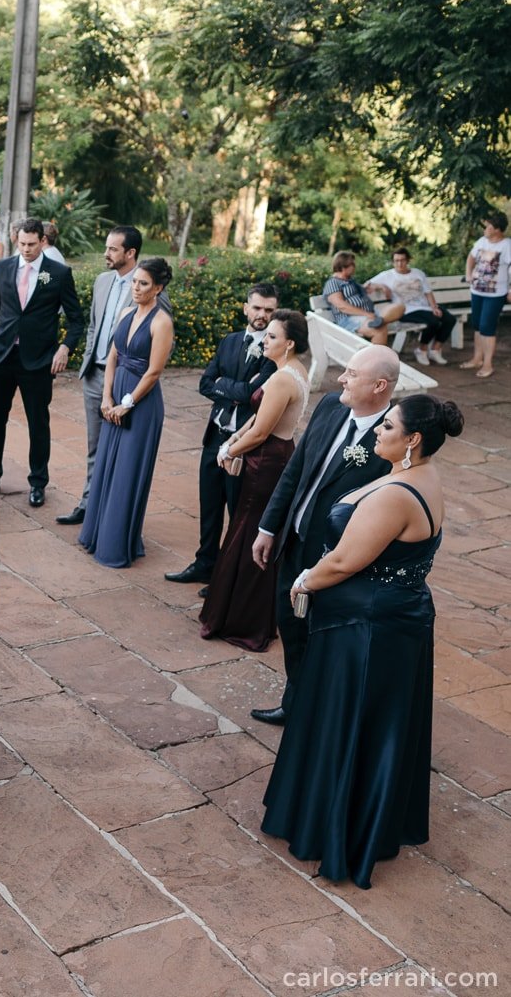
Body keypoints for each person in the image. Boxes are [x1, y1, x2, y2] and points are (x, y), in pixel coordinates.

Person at [262, 394, 461, 889]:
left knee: (352, 722)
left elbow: (345, 561)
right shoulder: (419, 474)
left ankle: (337, 829)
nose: (376, 431)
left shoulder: (397, 494)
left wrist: (303, 581)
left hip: (366, 629)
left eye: (387, 425)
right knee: (373, 722)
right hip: (391, 617)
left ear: (412, 439)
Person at [249, 345, 400, 726]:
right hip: (295, 542)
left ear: (380, 386)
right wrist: (269, 526)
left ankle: (327, 715)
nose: (340, 379)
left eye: (351, 374)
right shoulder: (331, 406)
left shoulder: (392, 440)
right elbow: (296, 469)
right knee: (291, 624)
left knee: (328, 638)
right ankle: (296, 701)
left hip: (337, 559)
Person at [198, 312, 310, 651]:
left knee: (249, 531)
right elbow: (255, 420)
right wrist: (231, 443)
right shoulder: (291, 372)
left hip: (267, 460)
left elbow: (261, 430)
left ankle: (242, 621)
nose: (264, 341)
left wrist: (228, 451)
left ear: (289, 343)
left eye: (272, 337)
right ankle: (240, 611)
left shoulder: (280, 381)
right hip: (275, 452)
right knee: (248, 528)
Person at [166, 284, 279, 583]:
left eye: (269, 310)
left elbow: (253, 392)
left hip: (244, 443)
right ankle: (204, 563)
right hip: (215, 435)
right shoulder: (229, 342)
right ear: (246, 308)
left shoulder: (274, 351)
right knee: (210, 504)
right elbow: (205, 383)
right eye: (257, 308)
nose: (262, 315)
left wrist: (227, 386)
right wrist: (236, 390)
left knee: (237, 509)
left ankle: (226, 577)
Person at [61, 226, 169, 527]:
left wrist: (131, 387)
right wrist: (87, 361)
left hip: (129, 382)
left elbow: (159, 344)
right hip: (96, 376)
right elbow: (95, 325)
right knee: (96, 445)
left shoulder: (154, 291)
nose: (105, 254)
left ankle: (113, 515)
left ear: (130, 253)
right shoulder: (102, 281)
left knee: (124, 452)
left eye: (112, 249)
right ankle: (88, 505)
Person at [0, 218, 86, 507]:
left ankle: (38, 482)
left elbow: (76, 320)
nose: (26, 249)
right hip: (2, 356)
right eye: (22, 244)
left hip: (39, 361)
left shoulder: (59, 273)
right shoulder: (3, 267)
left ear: (42, 241)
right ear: (17, 241)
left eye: (31, 244)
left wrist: (64, 348)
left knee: (38, 423)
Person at [78, 258, 174, 567]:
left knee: (127, 472)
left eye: (143, 283)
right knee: (107, 464)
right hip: (115, 395)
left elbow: (155, 371)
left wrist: (127, 403)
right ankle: (97, 533)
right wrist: (107, 398)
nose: (136, 288)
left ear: (158, 288)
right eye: (135, 282)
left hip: (142, 405)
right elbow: (113, 356)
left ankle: (117, 543)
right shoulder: (125, 313)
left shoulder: (162, 322)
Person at [367, 248, 456, 366]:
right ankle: (422, 350)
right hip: (405, 310)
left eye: (402, 260)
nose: (399, 263)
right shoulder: (387, 275)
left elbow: (428, 292)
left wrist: (434, 307)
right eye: (396, 260)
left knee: (450, 319)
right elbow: (366, 284)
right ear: (393, 262)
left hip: (425, 307)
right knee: (433, 322)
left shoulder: (418, 273)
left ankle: (435, 350)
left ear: (408, 260)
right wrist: (382, 286)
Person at [462, 213, 511, 377]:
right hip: (477, 291)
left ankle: (488, 365)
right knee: (477, 326)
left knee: (486, 327)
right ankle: (477, 359)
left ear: (497, 229)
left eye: (488, 226)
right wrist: (469, 274)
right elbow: (471, 257)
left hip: (495, 294)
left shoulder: (507, 245)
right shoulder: (482, 242)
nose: (485, 229)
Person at [323, 251, 404, 346]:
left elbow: (365, 287)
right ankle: (377, 360)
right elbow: (341, 306)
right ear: (344, 266)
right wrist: (366, 314)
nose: (354, 267)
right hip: (350, 319)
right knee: (379, 330)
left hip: (370, 316)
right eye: (352, 264)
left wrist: (381, 286)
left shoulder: (350, 281)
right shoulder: (332, 283)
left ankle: (380, 321)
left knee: (400, 307)